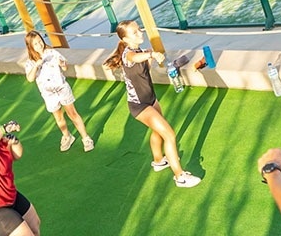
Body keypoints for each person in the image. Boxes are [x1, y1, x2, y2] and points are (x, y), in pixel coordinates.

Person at [103, 21, 201, 188]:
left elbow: (143, 67)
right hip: (139, 105)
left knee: (158, 130)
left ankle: (158, 161)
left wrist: (152, 57)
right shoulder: (128, 54)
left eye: (140, 29)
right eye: (135, 32)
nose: (140, 33)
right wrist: (151, 55)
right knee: (169, 135)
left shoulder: (140, 51)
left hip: (151, 99)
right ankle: (180, 177)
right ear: (125, 39)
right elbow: (135, 58)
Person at [24, 32, 95, 153]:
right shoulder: (30, 62)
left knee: (72, 114)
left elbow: (65, 67)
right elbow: (30, 79)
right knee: (58, 117)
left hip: (61, 87)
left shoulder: (52, 52)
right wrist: (36, 65)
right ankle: (67, 136)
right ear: (30, 46)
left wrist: (62, 64)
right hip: (48, 93)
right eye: (35, 44)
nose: (39, 45)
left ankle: (86, 138)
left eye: (40, 41)